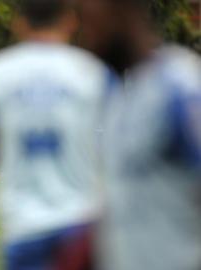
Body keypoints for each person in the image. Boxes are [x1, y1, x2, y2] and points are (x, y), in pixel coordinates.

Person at [0, 0, 113, 269]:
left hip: (23, 223)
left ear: (18, 22)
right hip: (80, 221)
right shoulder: (94, 72)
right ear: (70, 21)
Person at [77, 1, 201, 269]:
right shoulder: (119, 101)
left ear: (122, 12)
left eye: (90, 21)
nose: (86, 34)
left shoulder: (178, 87)